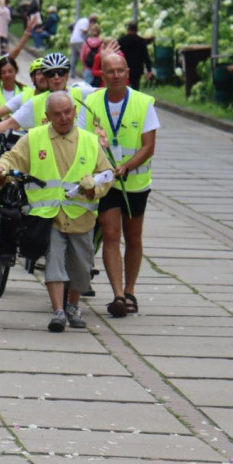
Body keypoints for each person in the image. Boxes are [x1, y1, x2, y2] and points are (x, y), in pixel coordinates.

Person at [0, 91, 114, 331]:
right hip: (49, 216)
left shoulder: (90, 141)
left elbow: (107, 174)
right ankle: (58, 310)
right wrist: (0, 167)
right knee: (54, 262)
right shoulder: (34, 138)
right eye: (57, 114)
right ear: (47, 117)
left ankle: (73, 306)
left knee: (81, 266)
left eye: (68, 112)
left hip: (81, 216)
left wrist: (94, 188)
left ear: (74, 112)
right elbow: (12, 158)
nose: (64, 118)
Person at [80, 53, 158, 318]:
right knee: (111, 234)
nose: (115, 76)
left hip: (135, 183)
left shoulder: (142, 103)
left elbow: (149, 146)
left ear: (127, 73)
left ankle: (131, 289)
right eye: (109, 72)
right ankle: (118, 295)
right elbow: (82, 140)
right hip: (105, 183)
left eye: (119, 71)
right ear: (102, 75)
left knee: (133, 237)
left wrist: (126, 166)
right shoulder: (91, 102)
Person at [117, 21, 154, 91]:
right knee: (135, 87)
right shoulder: (141, 41)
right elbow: (146, 56)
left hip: (124, 67)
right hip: (137, 68)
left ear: (128, 29)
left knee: (124, 87)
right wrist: (149, 69)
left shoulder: (121, 40)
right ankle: (134, 101)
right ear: (137, 30)